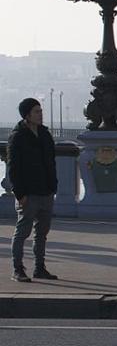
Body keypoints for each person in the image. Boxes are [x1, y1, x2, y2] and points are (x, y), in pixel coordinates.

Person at [7, 98, 58, 283]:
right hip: (28, 194)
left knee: (41, 234)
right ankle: (18, 269)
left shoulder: (44, 134)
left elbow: (51, 162)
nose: (40, 114)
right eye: (36, 111)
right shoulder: (18, 137)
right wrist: (20, 194)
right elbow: (13, 168)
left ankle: (39, 268)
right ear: (27, 115)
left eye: (40, 111)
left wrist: (53, 187)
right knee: (22, 233)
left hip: (46, 192)